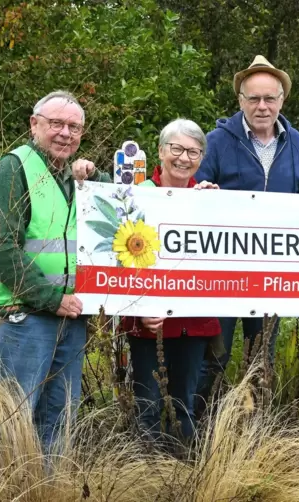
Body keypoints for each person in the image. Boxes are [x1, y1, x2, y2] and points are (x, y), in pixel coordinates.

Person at [195, 55, 299, 396]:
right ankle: (200, 434)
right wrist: (200, 190)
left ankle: (255, 434)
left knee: (261, 358)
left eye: (269, 98)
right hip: (222, 270)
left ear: (282, 100)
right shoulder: (217, 141)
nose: (262, 106)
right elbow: (194, 188)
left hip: (270, 272)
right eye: (254, 99)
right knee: (213, 357)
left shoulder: (294, 142)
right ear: (240, 101)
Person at [0, 90, 111, 450]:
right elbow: (3, 251)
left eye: (74, 127)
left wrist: (95, 174)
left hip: (69, 318)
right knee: (15, 424)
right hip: (23, 317)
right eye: (56, 124)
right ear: (34, 125)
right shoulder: (14, 167)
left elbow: (115, 216)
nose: (65, 133)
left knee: (59, 421)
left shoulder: (72, 176)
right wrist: (52, 298)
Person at [119, 119, 222, 444]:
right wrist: (138, 309)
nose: (183, 157)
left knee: (184, 405)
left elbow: (223, 257)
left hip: (192, 321)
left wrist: (220, 208)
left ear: (202, 158)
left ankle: (186, 478)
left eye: (193, 152)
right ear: (161, 151)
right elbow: (118, 258)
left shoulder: (208, 199)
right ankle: (142, 480)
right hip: (147, 322)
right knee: (147, 404)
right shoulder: (134, 196)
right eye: (176, 148)